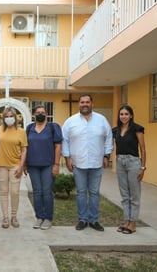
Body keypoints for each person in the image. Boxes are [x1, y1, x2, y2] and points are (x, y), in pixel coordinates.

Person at [62, 94, 113, 232]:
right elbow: (64, 140)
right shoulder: (70, 121)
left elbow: (109, 138)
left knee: (95, 192)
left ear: (92, 103)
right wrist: (67, 158)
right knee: (81, 192)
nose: (85, 104)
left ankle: (94, 220)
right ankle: (83, 219)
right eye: (82, 102)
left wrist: (106, 156)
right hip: (78, 163)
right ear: (79, 104)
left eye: (87, 102)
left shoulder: (102, 120)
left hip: (97, 163)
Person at [25, 105, 62, 230]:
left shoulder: (53, 127)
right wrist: (24, 163)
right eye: (38, 112)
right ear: (34, 115)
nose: (40, 114)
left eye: (43, 112)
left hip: (48, 165)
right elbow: (25, 147)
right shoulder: (29, 128)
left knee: (47, 192)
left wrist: (56, 164)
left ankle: (48, 218)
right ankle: (39, 217)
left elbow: (58, 146)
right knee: (37, 192)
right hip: (33, 165)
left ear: (46, 114)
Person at [112, 105, 146, 234]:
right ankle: (126, 220)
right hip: (120, 162)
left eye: (126, 114)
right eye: (121, 114)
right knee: (124, 194)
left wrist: (142, 167)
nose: (124, 116)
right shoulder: (115, 130)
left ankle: (133, 223)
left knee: (134, 195)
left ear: (131, 115)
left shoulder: (137, 129)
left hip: (133, 163)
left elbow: (143, 149)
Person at [0, 107, 28, 229]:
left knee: (15, 192)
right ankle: (5, 218)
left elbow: (24, 149)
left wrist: (21, 166)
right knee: (3, 193)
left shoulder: (21, 131)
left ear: (15, 117)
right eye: (7, 116)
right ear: (3, 118)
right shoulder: (0, 130)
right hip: (1, 166)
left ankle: (14, 216)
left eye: (11, 116)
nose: (9, 118)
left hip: (15, 166)